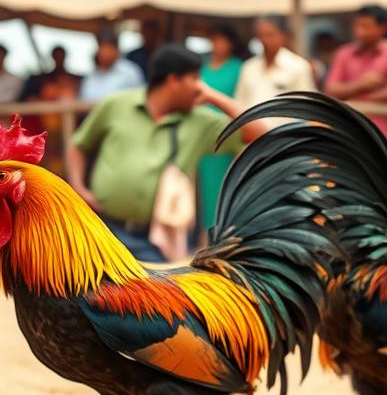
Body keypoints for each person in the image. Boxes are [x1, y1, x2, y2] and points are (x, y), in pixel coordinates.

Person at [68, 46, 269, 262]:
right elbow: (79, 144)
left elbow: (261, 134)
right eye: (194, 78)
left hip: (157, 242)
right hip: (102, 229)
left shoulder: (201, 121)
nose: (200, 86)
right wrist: (78, 187)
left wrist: (215, 98)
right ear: (173, 80)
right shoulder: (116, 104)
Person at [324, 4, 387, 145]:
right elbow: (331, 89)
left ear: (382, 28)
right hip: (348, 132)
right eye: (357, 26)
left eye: (366, 27)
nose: (360, 32)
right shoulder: (343, 54)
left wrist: (357, 97)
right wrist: (361, 86)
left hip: (383, 135)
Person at [235, 15, 317, 110]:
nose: (265, 40)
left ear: (283, 35)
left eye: (270, 35)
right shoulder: (248, 67)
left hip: (286, 124)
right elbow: (239, 103)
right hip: (249, 123)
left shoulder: (298, 66)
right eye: (261, 35)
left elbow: (305, 107)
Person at [79, 32, 145, 103]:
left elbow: (140, 100)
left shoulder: (130, 73)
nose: (104, 53)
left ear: (116, 49)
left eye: (107, 48)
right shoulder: (91, 76)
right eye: (101, 48)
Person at [201, 24, 245, 97]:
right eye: (215, 40)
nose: (218, 45)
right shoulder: (202, 63)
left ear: (231, 43)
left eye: (223, 41)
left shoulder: (239, 67)